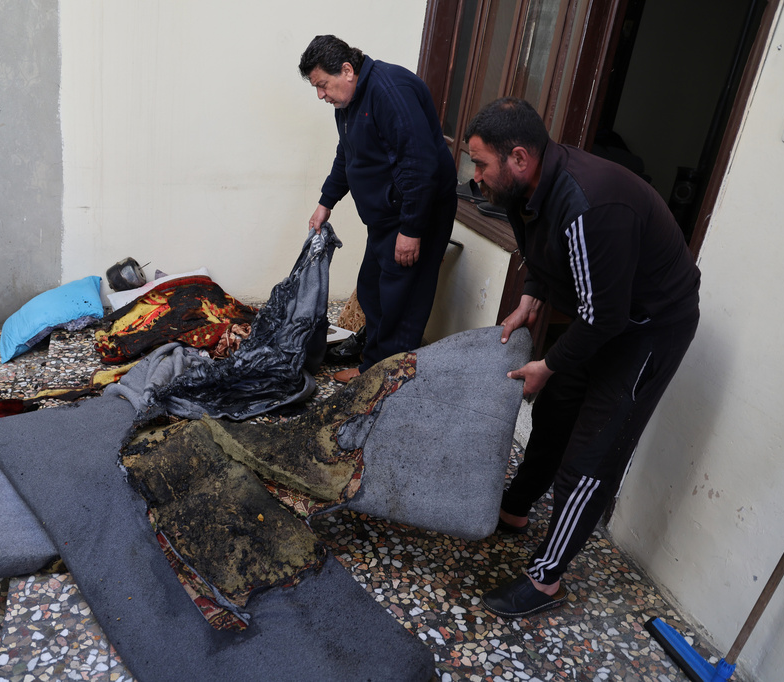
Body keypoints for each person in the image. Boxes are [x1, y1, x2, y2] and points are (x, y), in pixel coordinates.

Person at [463, 97, 701, 617]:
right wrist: (530, 296)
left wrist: (547, 365)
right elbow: (543, 250)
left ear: (519, 157)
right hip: (604, 313)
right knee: (554, 411)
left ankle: (547, 580)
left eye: (480, 164)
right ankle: (517, 508)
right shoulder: (526, 189)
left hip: (648, 327)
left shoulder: (591, 207)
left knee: (592, 453)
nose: (474, 176)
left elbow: (605, 320)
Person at [299, 35, 457, 382]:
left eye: (323, 85)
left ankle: (383, 380)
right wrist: (326, 202)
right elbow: (348, 154)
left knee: (402, 296)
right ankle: (373, 357)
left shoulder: (389, 92)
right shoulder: (349, 103)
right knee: (372, 285)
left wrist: (412, 229)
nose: (321, 95)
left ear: (347, 70)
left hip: (415, 212)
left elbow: (419, 164)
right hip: (387, 214)